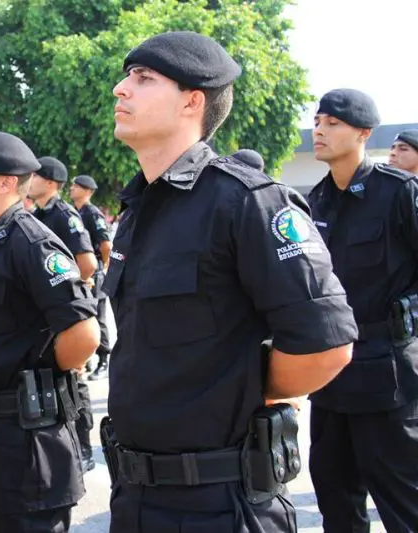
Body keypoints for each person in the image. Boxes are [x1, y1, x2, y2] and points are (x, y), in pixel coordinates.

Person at [105, 31, 357, 532]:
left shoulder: (246, 201)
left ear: (192, 102)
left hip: (221, 502)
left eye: (144, 78)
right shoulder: (139, 210)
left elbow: (326, 346)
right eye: (127, 76)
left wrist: (242, 390)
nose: (120, 88)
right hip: (135, 496)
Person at [0, 131, 100, 532]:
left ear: (6, 183)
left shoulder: (30, 242)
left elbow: (84, 333)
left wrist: (40, 377)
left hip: (28, 440)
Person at [307, 89, 418, 533]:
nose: (319, 130)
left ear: (363, 134)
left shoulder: (398, 193)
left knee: (402, 501)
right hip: (330, 373)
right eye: (317, 121)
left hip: (386, 374)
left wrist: (408, 317)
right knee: (335, 497)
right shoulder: (314, 202)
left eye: (333, 123)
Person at [28, 156, 99, 473]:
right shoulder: (37, 214)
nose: (30, 180)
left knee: (75, 379)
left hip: (65, 309)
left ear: (50, 183)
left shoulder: (63, 214)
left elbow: (88, 264)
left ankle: (83, 447)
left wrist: (70, 297)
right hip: (45, 312)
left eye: (37, 176)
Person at [69, 175, 113, 381]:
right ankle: (86, 360)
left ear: (87, 190)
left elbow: (105, 245)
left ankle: (103, 359)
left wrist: (103, 268)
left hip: (93, 271)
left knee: (97, 316)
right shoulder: (74, 212)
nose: (71, 188)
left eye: (76, 186)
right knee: (82, 315)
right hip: (77, 271)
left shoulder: (92, 213)